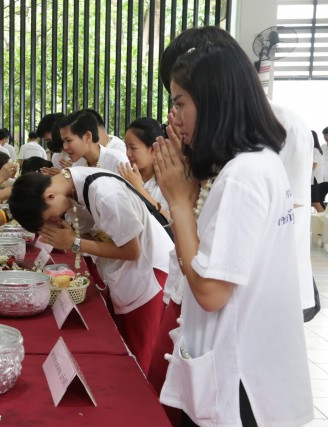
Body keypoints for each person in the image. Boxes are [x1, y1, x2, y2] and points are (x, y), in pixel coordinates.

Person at [148, 26, 317, 404]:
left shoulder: (243, 174)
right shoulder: (255, 162)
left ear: (212, 101)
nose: (174, 117)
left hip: (238, 374)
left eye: (179, 103)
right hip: (244, 359)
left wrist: (178, 201)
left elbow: (210, 292)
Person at [8, 168, 173, 375]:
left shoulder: (106, 193)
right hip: (127, 274)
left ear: (49, 196)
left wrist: (74, 242)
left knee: (141, 362)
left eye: (51, 216)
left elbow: (132, 251)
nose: (56, 220)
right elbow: (101, 236)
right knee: (128, 353)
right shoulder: (74, 189)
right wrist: (75, 235)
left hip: (149, 274)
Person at [117, 117, 170, 220]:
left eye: (133, 148)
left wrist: (139, 189)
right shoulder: (124, 177)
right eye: (126, 147)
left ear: (153, 149)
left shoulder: (168, 183)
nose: (128, 153)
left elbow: (168, 221)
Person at [57, 110, 128, 172]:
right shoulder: (77, 164)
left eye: (69, 140)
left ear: (87, 136)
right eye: (63, 141)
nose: (65, 147)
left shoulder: (116, 160)